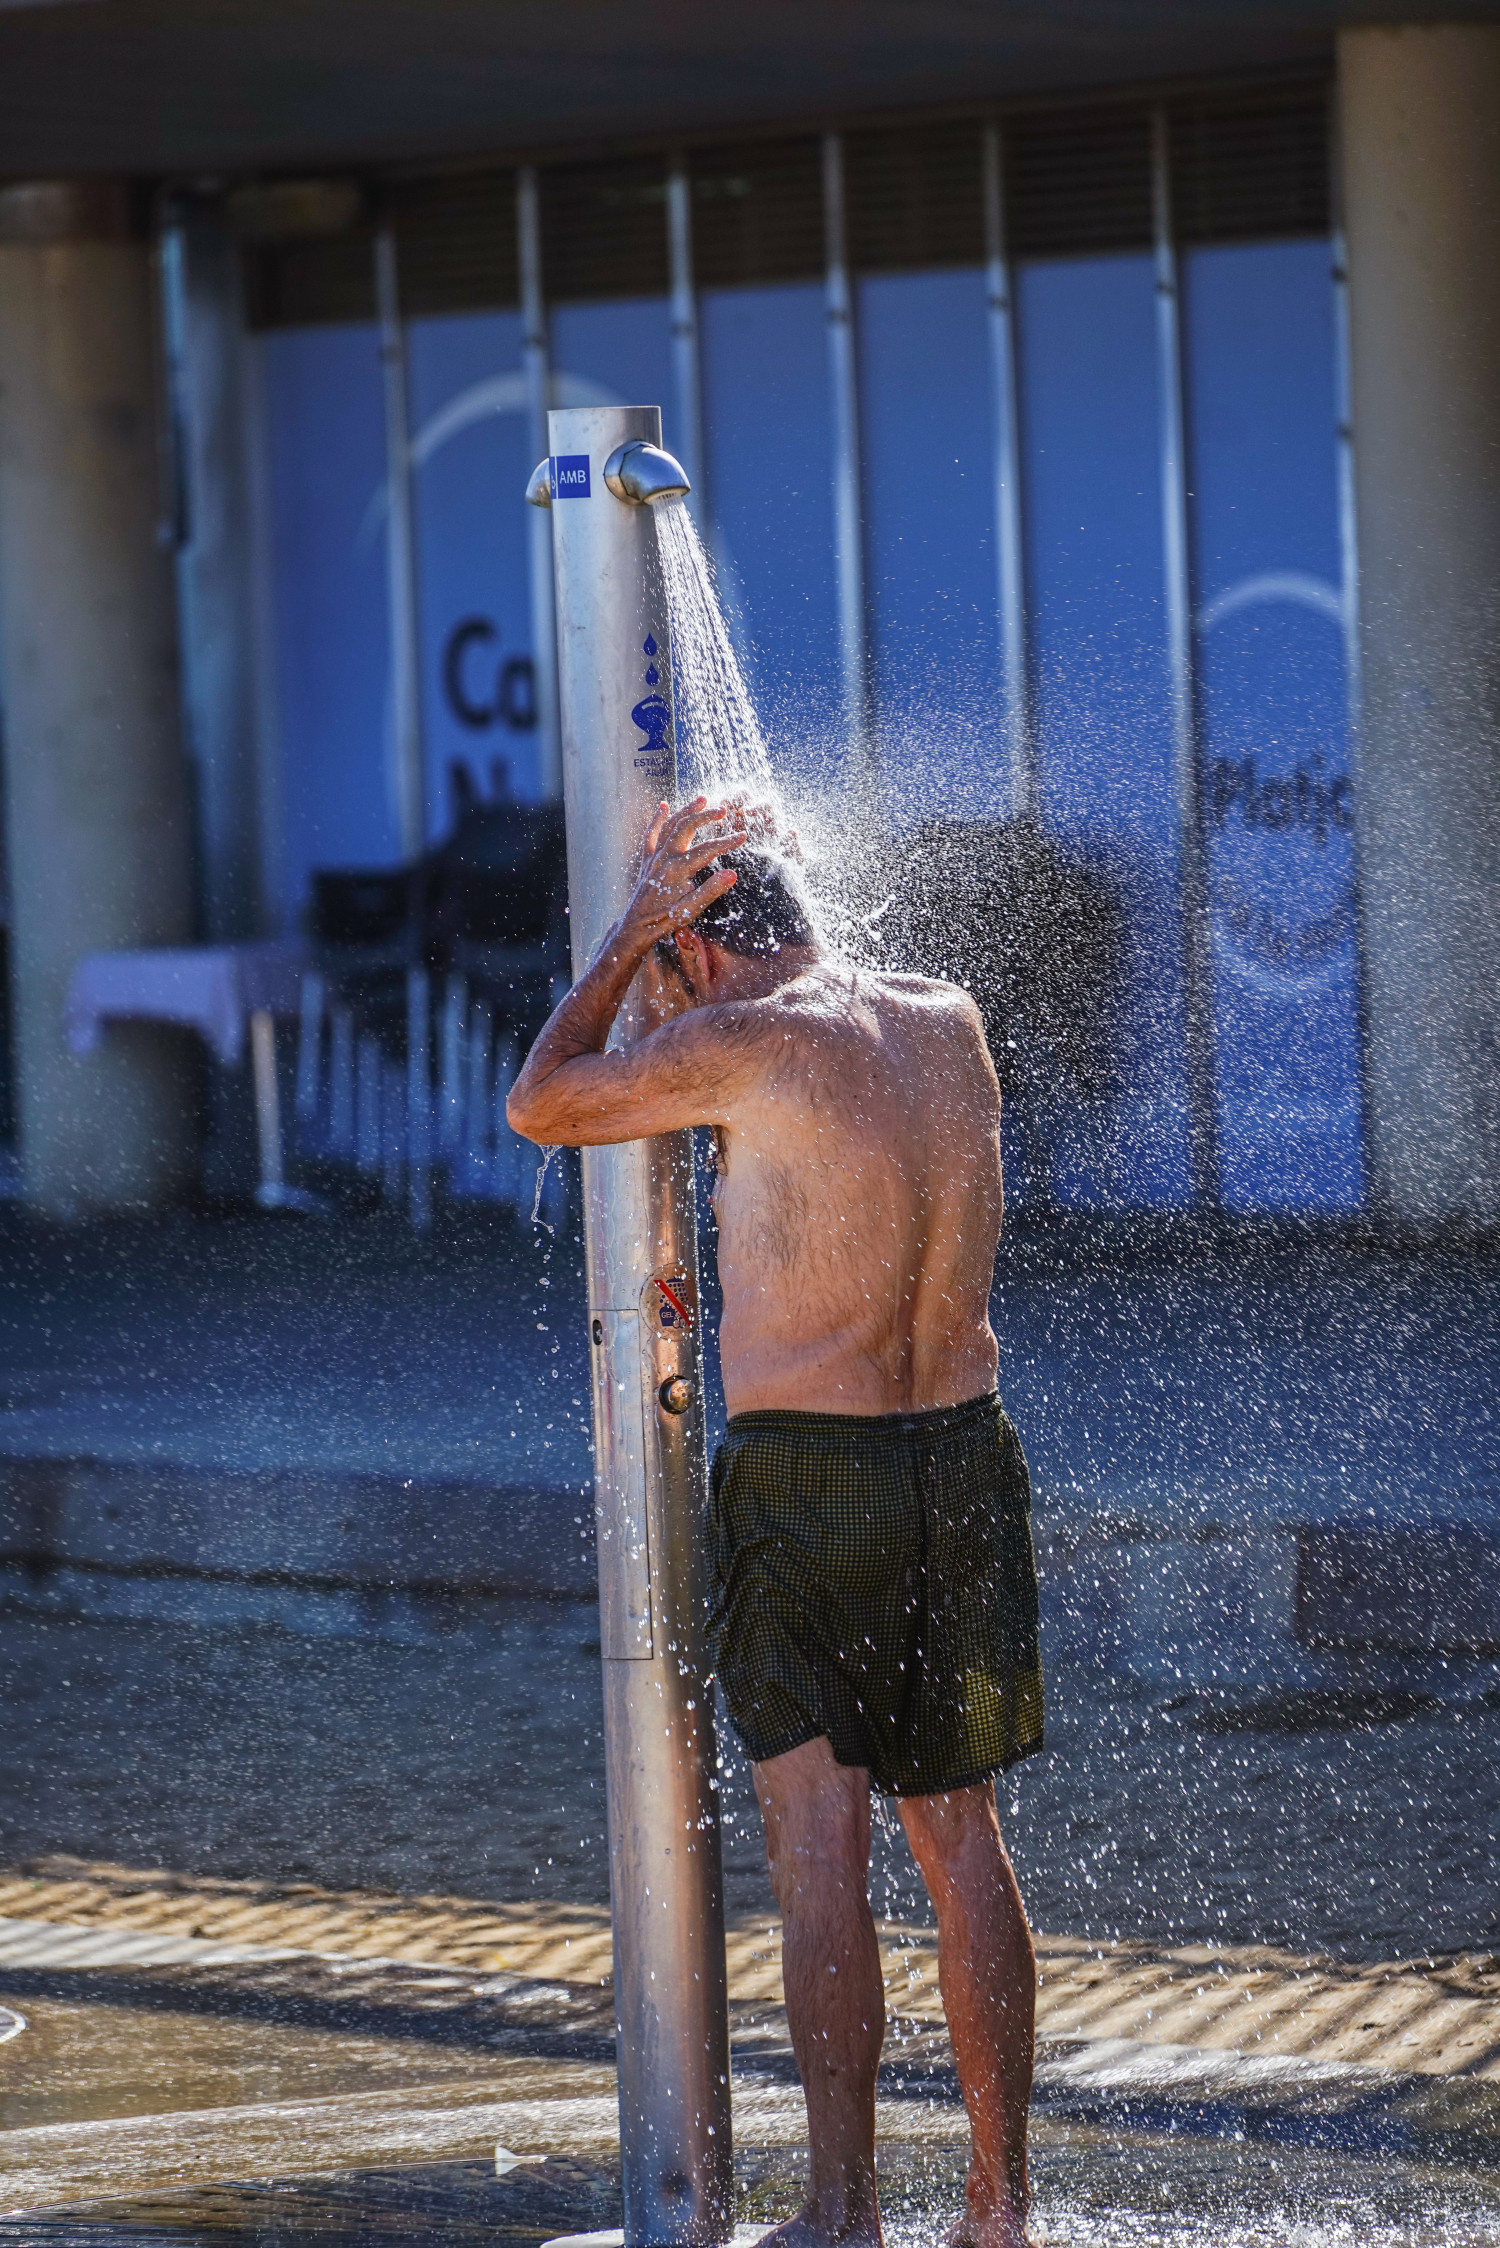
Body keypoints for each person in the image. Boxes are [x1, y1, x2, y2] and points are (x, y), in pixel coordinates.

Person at [508, 796, 1045, 2248]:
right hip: (967, 1456)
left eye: (669, 961)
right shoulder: (947, 1015)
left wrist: (620, 943)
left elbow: (544, 1101)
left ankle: (841, 2212)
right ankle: (999, 2216)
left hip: (816, 1473)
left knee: (820, 1847)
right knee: (964, 1840)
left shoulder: (742, 1043)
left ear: (694, 954)